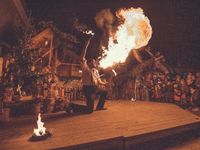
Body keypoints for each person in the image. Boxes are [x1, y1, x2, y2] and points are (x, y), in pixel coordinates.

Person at [66, 37, 108, 114]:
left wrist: (104, 84)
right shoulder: (85, 69)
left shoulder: (95, 71)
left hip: (95, 88)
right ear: (88, 63)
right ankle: (72, 105)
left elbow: (99, 81)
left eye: (95, 62)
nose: (95, 63)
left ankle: (99, 107)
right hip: (88, 89)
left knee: (104, 92)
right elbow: (82, 57)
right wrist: (86, 46)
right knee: (89, 110)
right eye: (93, 62)